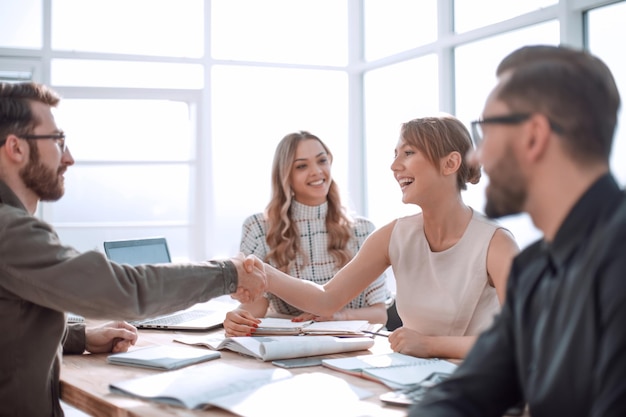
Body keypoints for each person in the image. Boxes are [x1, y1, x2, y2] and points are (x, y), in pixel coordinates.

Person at [0, 81, 266, 417]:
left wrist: (80, 338)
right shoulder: (9, 232)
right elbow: (126, 290)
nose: (68, 157)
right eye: (57, 140)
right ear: (16, 148)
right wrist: (229, 273)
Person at [410, 45, 626, 417]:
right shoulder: (533, 269)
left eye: (486, 132)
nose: (476, 158)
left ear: (534, 135)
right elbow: (467, 393)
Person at [245, 115, 519, 359]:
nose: (394, 166)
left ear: (450, 163)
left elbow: (524, 340)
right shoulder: (393, 236)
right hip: (415, 378)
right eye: (395, 154)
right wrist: (264, 273)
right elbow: (326, 299)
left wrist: (431, 345)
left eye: (408, 153)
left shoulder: (496, 243)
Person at [224, 131, 389, 335]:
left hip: (350, 344)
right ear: (286, 175)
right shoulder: (258, 228)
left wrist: (337, 316)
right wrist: (239, 317)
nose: (317, 171)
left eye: (322, 160)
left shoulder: (363, 231)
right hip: (289, 346)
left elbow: (380, 314)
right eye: (302, 166)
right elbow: (256, 305)